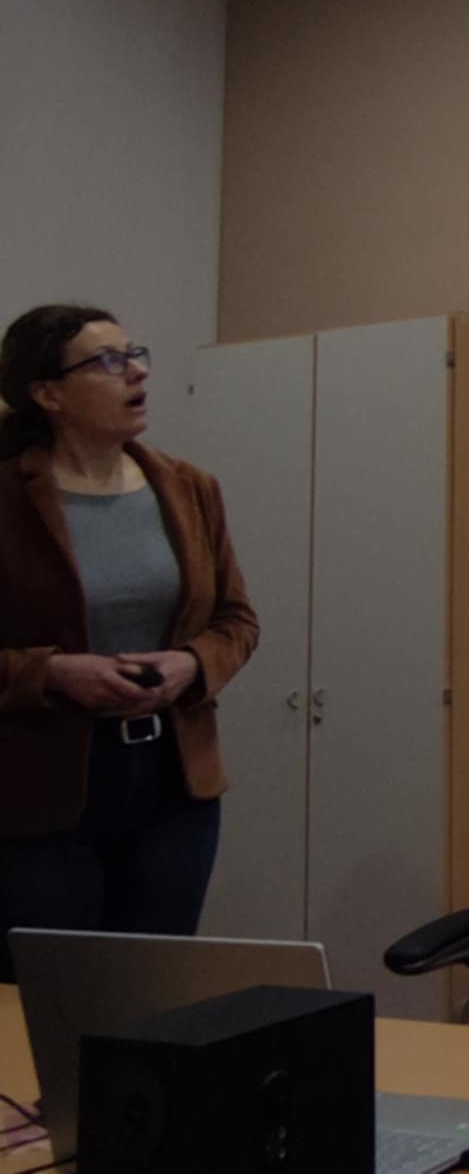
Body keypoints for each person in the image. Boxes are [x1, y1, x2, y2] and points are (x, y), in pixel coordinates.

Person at [0, 304, 258, 983]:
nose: (137, 372)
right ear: (48, 394)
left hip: (173, 788)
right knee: (51, 1006)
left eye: (136, 354)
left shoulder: (190, 488)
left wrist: (191, 663)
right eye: (109, 362)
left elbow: (236, 620)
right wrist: (53, 674)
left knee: (154, 999)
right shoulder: (8, 498)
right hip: (39, 797)